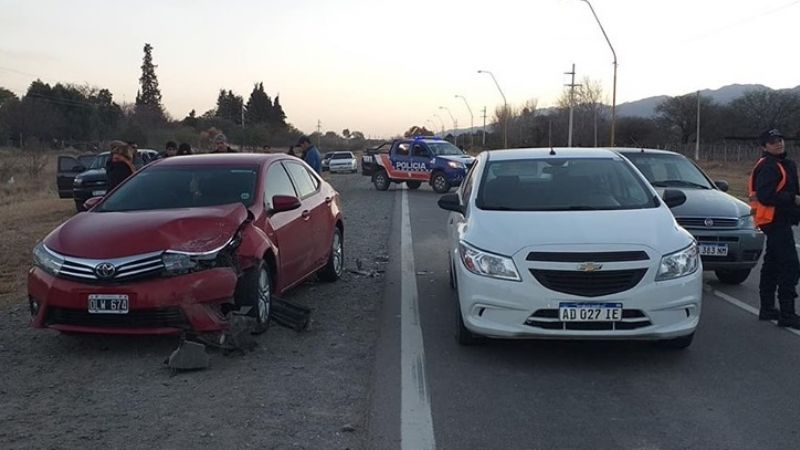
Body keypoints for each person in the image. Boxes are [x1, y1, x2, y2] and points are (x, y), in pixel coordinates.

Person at [750, 128, 800, 328]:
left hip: (778, 220)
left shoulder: (783, 164)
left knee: (772, 264)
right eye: (772, 141)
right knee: (790, 267)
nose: (778, 143)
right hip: (774, 220)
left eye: (780, 139)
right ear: (764, 146)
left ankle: (767, 308)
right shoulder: (770, 166)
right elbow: (765, 195)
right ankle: (787, 314)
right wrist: (793, 199)